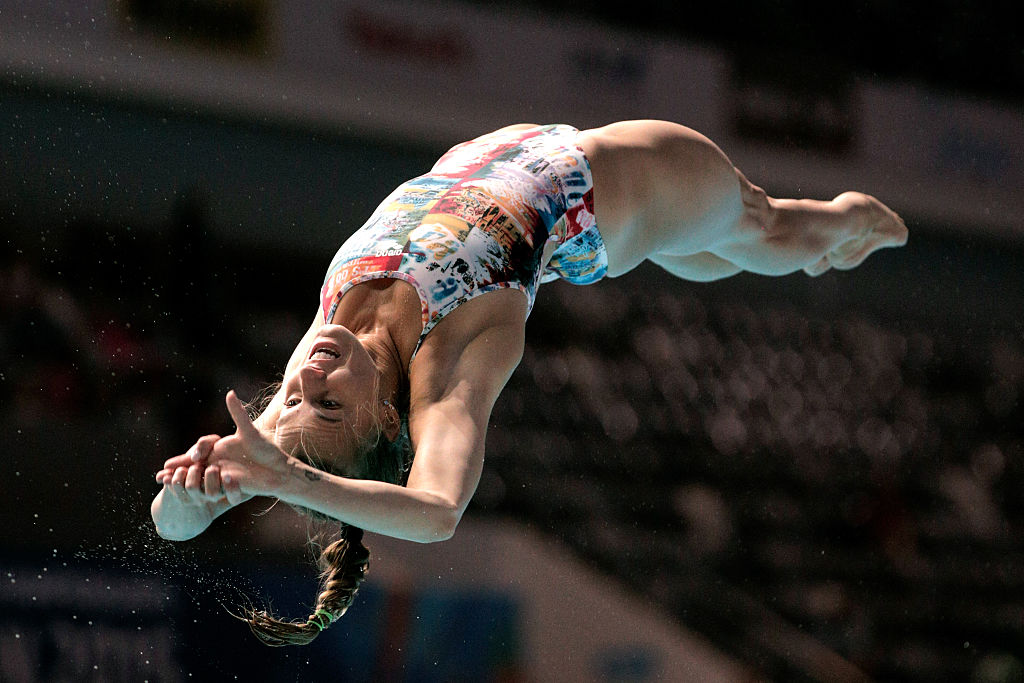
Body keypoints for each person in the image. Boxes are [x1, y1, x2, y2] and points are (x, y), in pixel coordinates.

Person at [150, 120, 908, 645]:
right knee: (763, 228)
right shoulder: (451, 360)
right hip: (628, 185)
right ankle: (839, 229)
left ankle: (786, 242)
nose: (307, 375)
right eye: (325, 402)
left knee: (702, 253)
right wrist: (298, 481)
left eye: (289, 397)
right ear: (386, 420)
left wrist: (194, 498)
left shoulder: (324, 348)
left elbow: (171, 522)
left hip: (542, 180)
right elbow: (437, 510)